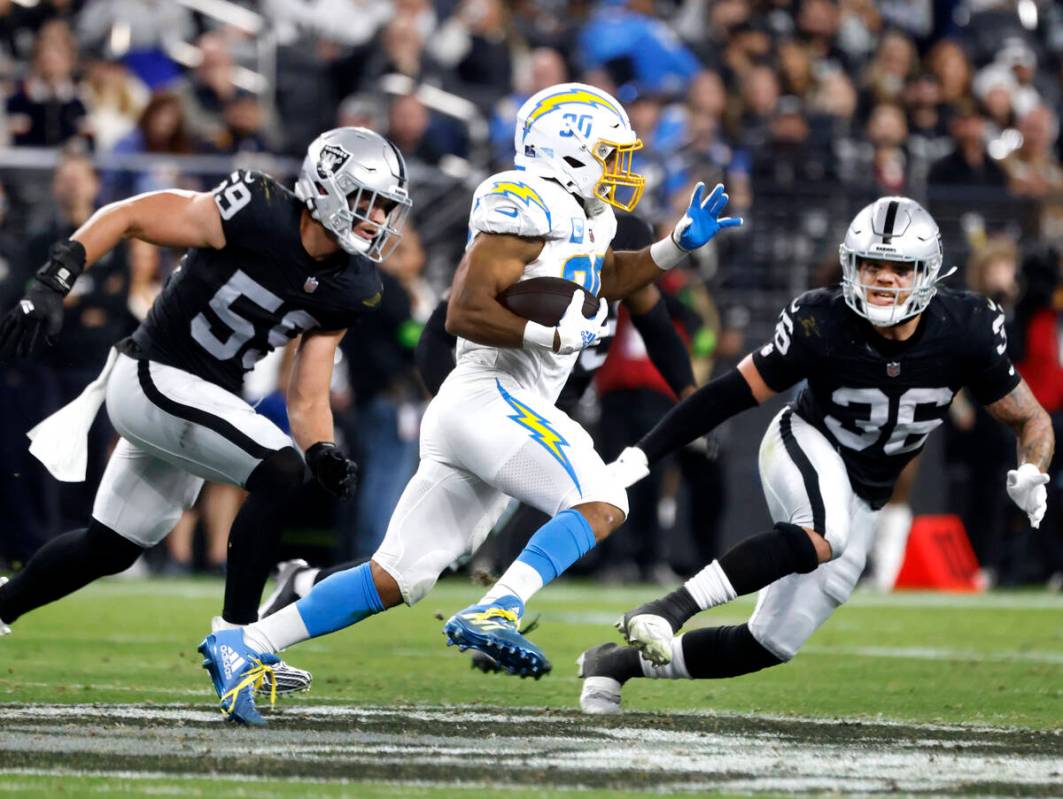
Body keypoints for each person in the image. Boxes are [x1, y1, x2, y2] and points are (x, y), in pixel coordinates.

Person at [203, 82, 741, 725]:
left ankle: (246, 642)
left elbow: (607, 274)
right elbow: (463, 310)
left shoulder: (585, 214)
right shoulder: (523, 198)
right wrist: (549, 332)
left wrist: (676, 244)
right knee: (604, 498)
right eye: (608, 151)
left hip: (485, 409)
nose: (621, 166)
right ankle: (499, 605)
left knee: (398, 577)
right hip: (493, 393)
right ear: (568, 149)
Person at [577, 196, 1053, 714]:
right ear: (851, 265)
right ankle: (668, 608)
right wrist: (639, 459)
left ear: (927, 274)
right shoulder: (820, 320)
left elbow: (1031, 417)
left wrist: (1032, 468)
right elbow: (727, 395)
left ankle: (614, 665)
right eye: (872, 265)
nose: (883, 280)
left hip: (870, 491)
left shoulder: (967, 328)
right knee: (825, 531)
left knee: (770, 643)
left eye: (899, 268)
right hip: (806, 440)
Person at [0, 127, 413, 701]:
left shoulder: (354, 284)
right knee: (276, 466)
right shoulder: (258, 210)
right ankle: (238, 641)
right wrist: (54, 278)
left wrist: (321, 449)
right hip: (153, 372)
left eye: (386, 209)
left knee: (111, 546)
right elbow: (128, 214)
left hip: (199, 397)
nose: (378, 222)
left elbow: (308, 394)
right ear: (328, 187)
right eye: (370, 204)